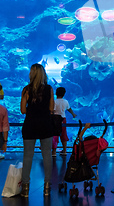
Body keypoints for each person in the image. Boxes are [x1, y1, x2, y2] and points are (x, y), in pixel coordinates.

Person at [20, 63, 54, 197]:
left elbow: (23, 110)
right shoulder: (49, 89)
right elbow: (51, 108)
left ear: (31, 74)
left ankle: (25, 188)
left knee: (28, 155)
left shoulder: (26, 90)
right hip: (45, 124)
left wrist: (32, 110)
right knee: (47, 155)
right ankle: (47, 186)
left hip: (30, 124)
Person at [52, 87, 76, 157]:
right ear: (64, 94)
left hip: (55, 119)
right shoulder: (65, 101)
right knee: (63, 134)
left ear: (56, 93)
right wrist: (73, 114)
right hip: (63, 119)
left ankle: (54, 152)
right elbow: (69, 108)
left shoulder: (54, 101)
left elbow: (52, 110)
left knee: (55, 135)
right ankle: (64, 150)